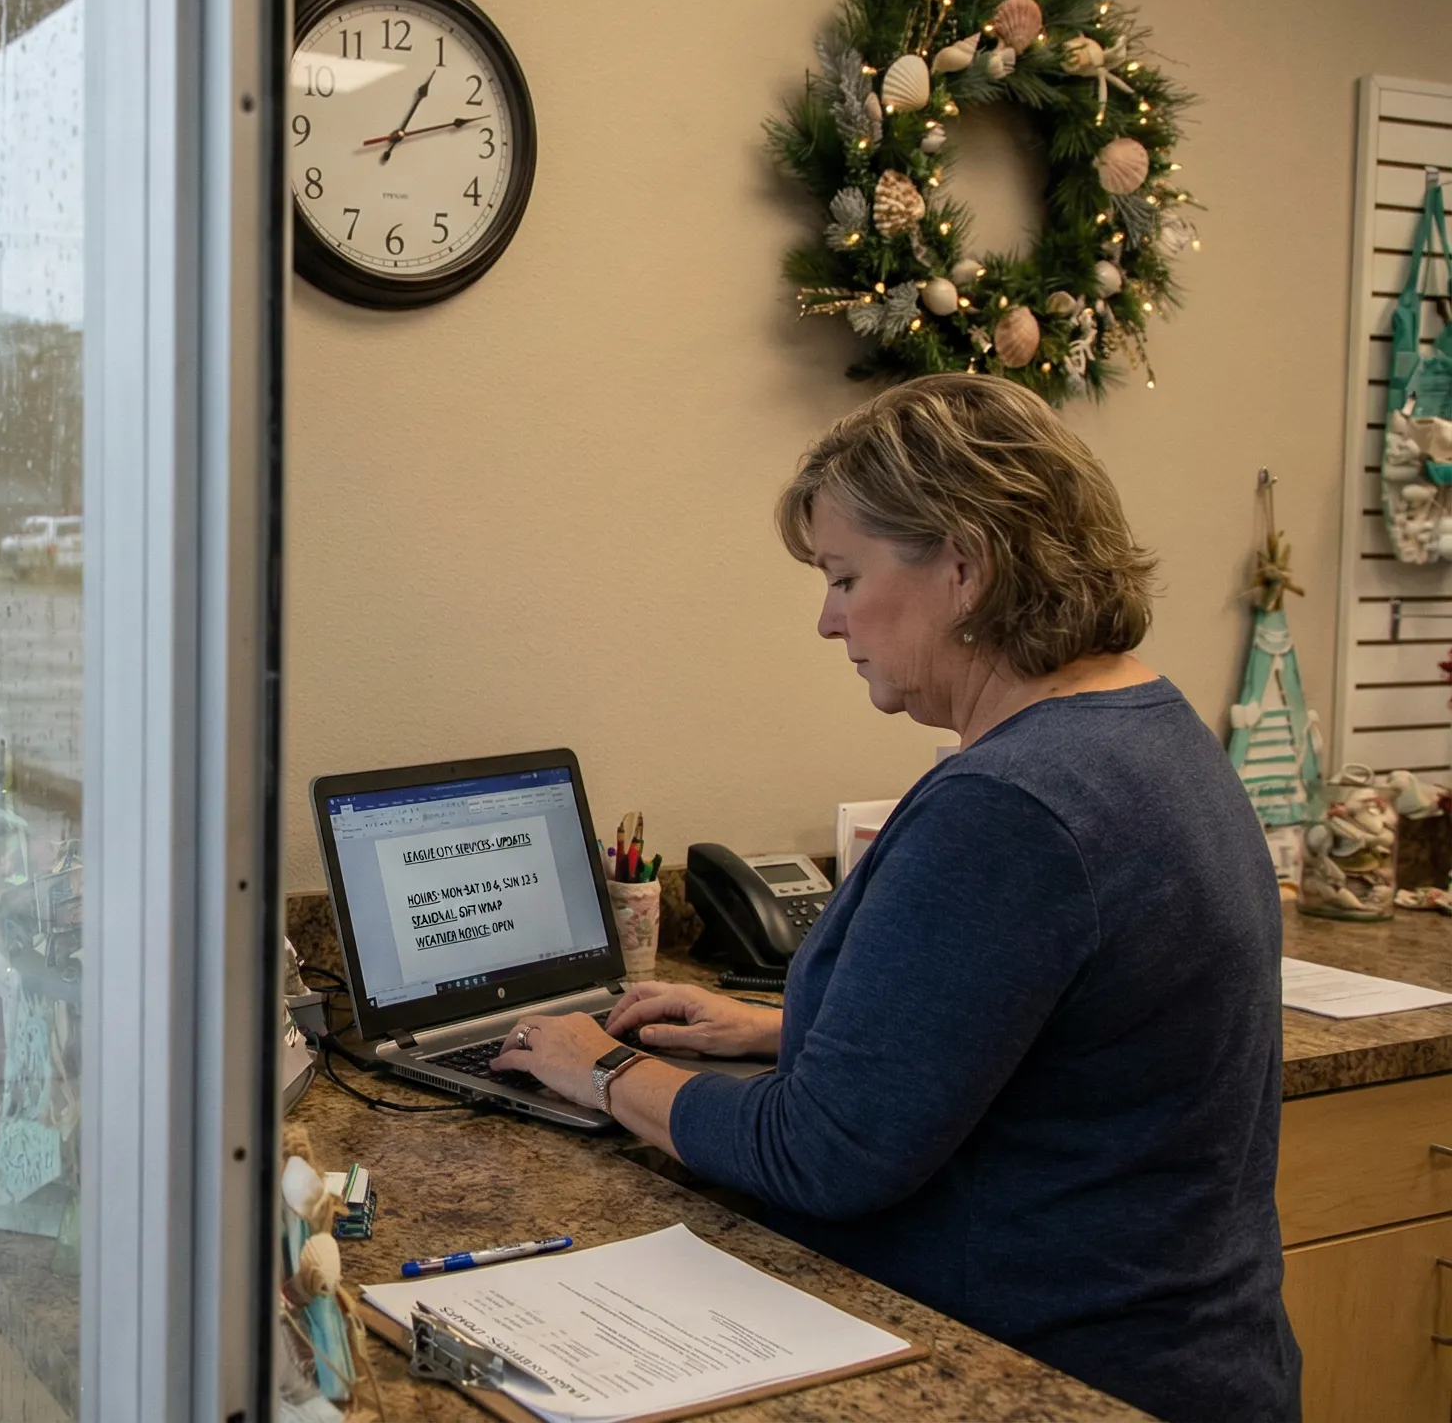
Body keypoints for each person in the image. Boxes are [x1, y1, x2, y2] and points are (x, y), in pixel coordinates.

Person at [493, 373, 1297, 1421]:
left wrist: (600, 1066)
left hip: (1051, 1376)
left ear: (964, 568)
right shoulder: (1140, 727)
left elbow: (822, 1156)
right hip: (1187, 1358)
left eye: (842, 575)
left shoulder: (1010, 804)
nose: (828, 620)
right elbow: (1052, 1040)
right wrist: (782, 1029)